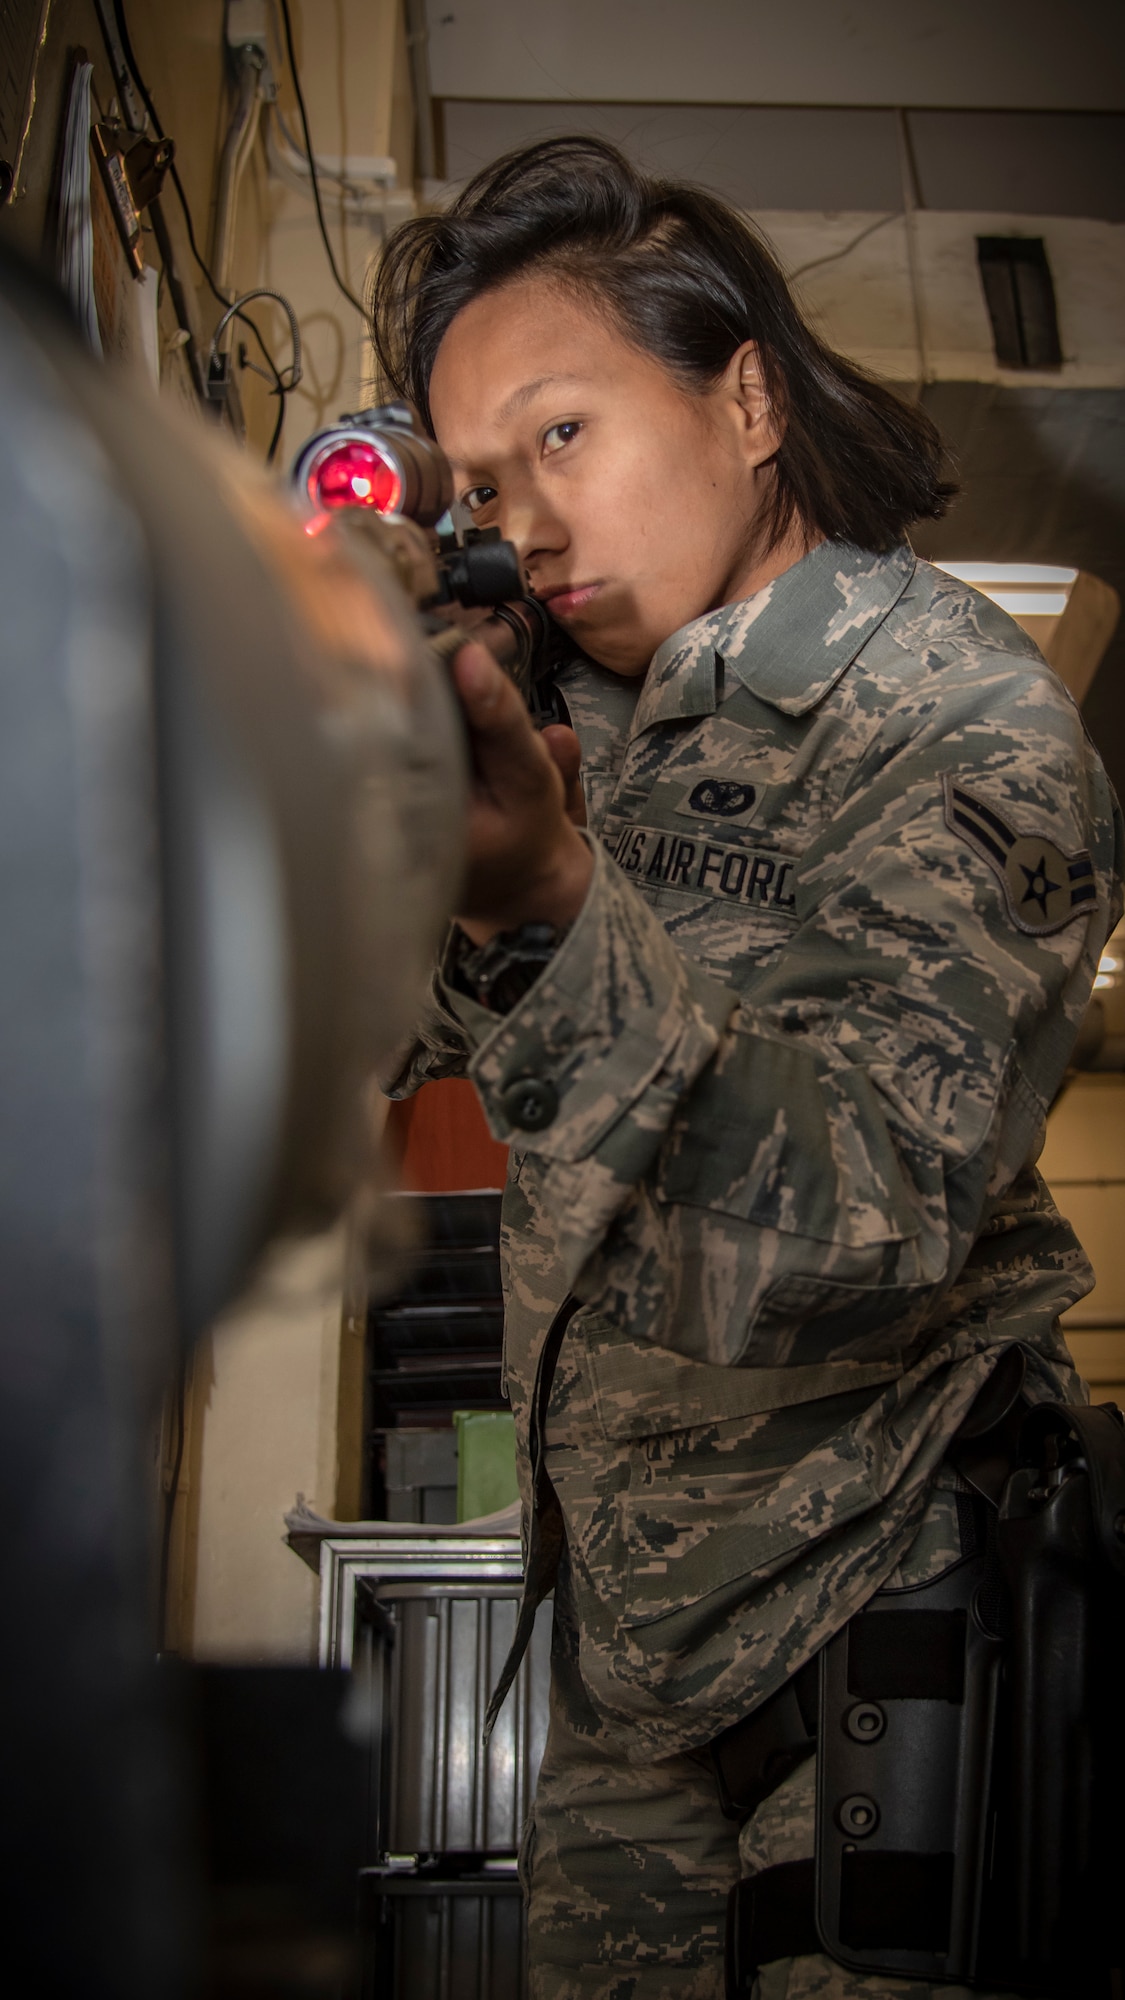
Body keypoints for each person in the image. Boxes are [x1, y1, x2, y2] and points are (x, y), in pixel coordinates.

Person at [371, 138, 1123, 2000]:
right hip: (628, 1669)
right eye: (480, 480)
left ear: (749, 395)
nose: (523, 525)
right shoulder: (590, 733)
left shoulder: (951, 721)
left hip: (875, 1635)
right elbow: (385, 1042)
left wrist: (549, 903)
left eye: (561, 435)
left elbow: (868, 1213)